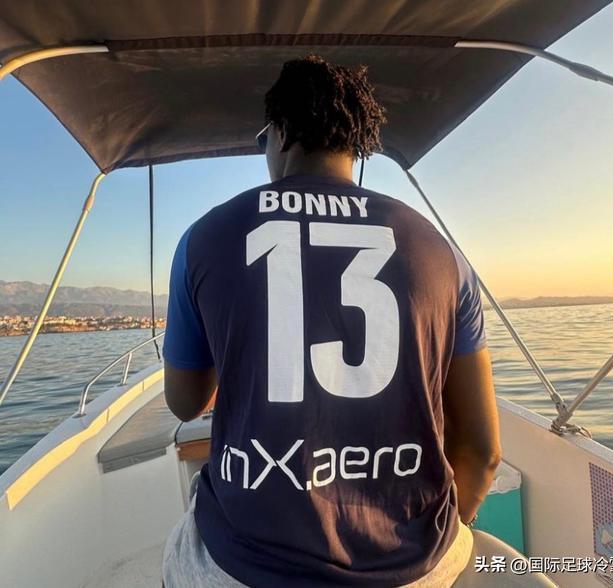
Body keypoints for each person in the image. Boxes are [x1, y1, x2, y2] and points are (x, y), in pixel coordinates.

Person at [161, 55, 501, 588]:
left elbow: (186, 403)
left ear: (280, 133)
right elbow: (482, 452)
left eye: (262, 140)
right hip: (413, 565)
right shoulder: (441, 252)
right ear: (356, 144)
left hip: (247, 567)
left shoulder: (203, 239)